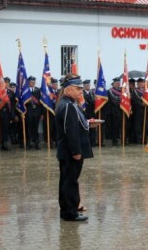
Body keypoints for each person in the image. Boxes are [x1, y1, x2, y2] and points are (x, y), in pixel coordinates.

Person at [56, 73, 95, 222]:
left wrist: (89, 123)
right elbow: (70, 131)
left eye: (80, 89)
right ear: (68, 89)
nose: (81, 91)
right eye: (77, 89)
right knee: (69, 182)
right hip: (69, 152)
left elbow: (77, 123)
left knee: (69, 180)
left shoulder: (70, 104)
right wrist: (76, 151)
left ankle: (69, 209)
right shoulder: (67, 106)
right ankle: (69, 212)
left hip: (69, 151)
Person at [25, 76, 42, 149]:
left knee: (36, 128)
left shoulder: (37, 90)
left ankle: (36, 143)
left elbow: (41, 102)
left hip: (36, 112)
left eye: (34, 82)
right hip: (28, 111)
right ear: (28, 82)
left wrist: (41, 113)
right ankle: (29, 143)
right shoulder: (25, 90)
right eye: (31, 82)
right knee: (29, 128)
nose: (33, 83)